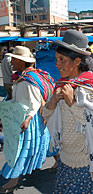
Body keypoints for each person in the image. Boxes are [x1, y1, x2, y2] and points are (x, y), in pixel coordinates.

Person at [42, 30, 93, 193]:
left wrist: (72, 103)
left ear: (77, 61)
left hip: (89, 165)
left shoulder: (92, 88)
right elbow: (45, 116)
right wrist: (52, 102)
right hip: (67, 161)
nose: (57, 64)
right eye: (57, 59)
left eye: (62, 60)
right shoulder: (61, 86)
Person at [0, 46, 55, 193]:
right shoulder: (23, 77)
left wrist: (28, 119)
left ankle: (13, 181)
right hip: (27, 117)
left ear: (22, 62)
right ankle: (59, 159)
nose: (11, 63)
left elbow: (35, 102)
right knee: (45, 142)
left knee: (22, 149)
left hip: (30, 119)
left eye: (15, 60)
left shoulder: (28, 80)